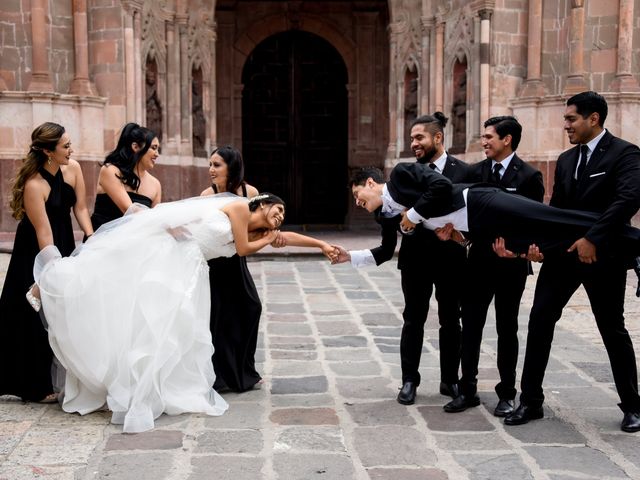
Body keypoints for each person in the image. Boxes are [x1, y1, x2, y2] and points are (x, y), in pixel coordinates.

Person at [32, 192, 337, 433]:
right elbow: (241, 249)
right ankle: (46, 284)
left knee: (177, 330)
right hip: (173, 258)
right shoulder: (241, 208)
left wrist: (321, 244)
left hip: (193, 269)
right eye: (278, 209)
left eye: (283, 216)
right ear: (264, 203)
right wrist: (270, 239)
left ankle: (155, 386)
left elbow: (288, 239)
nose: (280, 216)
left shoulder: (260, 233)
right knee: (151, 316)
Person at [503, 91, 640, 433]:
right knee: (539, 320)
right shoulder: (565, 160)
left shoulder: (626, 154)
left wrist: (593, 238)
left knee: (612, 328)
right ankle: (530, 401)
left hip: (603, 256)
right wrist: (539, 250)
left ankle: (633, 406)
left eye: (571, 119)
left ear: (593, 119)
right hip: (563, 256)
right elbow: (557, 213)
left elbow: (627, 200)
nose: (565, 125)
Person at [334, 113, 470, 406]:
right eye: (411, 139)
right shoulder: (405, 176)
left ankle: (450, 380)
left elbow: (474, 218)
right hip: (415, 261)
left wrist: (459, 237)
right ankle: (409, 380)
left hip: (451, 259)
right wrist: (351, 256)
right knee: (413, 319)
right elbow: (386, 248)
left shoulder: (464, 171)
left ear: (438, 137)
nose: (414, 144)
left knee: (451, 320)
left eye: (419, 137)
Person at [201, 145, 340, 392]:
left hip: (235, 262)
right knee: (218, 318)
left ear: (231, 167)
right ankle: (219, 377)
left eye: (217, 165)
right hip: (215, 263)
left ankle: (245, 371)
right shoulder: (207, 195)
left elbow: (274, 232)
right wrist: (266, 239)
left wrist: (320, 244)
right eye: (211, 164)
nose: (211, 169)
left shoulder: (249, 192)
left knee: (250, 308)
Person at [444, 116, 544, 416]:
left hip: (511, 267)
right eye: (483, 136)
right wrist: (458, 237)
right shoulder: (475, 172)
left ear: (507, 140)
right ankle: (468, 390)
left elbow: (534, 221)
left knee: (506, 328)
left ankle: (507, 393)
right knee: (471, 327)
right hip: (477, 265)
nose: (484, 141)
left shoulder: (529, 176)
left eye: (489, 136)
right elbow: (467, 217)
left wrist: (516, 252)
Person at [0, 122, 94, 403]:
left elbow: (80, 207)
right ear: (48, 151)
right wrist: (50, 270)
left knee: (61, 309)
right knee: (28, 310)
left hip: (63, 239)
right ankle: (33, 385)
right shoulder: (34, 185)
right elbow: (42, 232)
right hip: (36, 249)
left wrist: (90, 237)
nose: (70, 149)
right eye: (65, 146)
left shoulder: (73, 168)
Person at [90, 123, 162, 231]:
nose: (157, 154)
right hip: (103, 241)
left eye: (158, 149)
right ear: (135, 147)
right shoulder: (110, 171)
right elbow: (130, 210)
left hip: (135, 243)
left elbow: (157, 225)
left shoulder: (155, 184)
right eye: (153, 148)